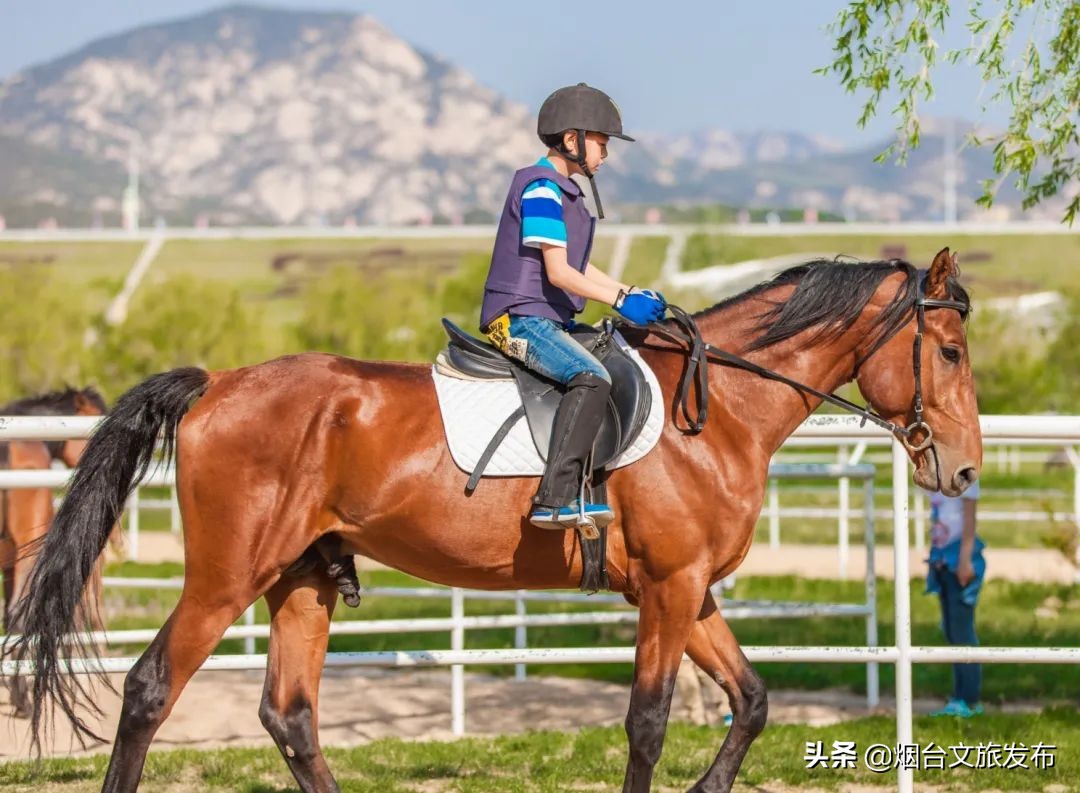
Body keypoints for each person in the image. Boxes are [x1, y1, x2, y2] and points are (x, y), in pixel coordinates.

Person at [479, 83, 666, 530]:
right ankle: (553, 499)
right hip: (519, 320)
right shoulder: (542, 189)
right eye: (602, 143)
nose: (606, 154)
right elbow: (560, 275)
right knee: (592, 377)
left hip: (546, 318)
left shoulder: (562, 192)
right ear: (572, 140)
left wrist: (630, 290)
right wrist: (620, 300)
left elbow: (580, 265)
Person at [925, 481, 985, 717]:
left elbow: (970, 521)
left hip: (960, 557)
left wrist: (965, 560)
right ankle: (960, 696)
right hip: (942, 556)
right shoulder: (938, 478)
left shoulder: (965, 476)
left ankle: (970, 699)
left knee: (962, 632)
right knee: (951, 630)